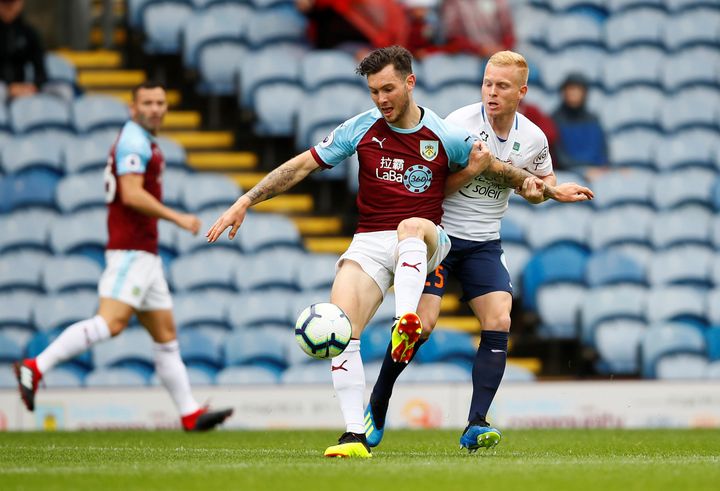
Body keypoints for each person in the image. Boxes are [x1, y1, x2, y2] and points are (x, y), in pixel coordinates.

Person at [206, 46, 591, 458]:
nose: (381, 99)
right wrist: (246, 199)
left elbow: (506, 172)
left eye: (387, 89)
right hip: (388, 237)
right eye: (373, 92)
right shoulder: (378, 127)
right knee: (344, 327)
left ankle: (465, 406)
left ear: (409, 82)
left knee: (477, 297)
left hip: (433, 237)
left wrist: (548, 190)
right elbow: (304, 166)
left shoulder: (452, 133)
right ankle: (356, 432)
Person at [364, 51, 594, 452]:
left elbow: (539, 185)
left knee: (500, 318)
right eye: (487, 82)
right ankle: (378, 402)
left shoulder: (534, 138)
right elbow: (433, 187)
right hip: (441, 236)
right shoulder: (458, 124)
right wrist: (473, 170)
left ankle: (475, 424)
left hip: (485, 242)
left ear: (521, 91)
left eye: (502, 86)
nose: (491, 91)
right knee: (423, 323)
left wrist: (545, 193)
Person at [14, 82, 233, 432]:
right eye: (147, 102)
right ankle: (35, 366)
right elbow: (131, 195)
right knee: (111, 323)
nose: (155, 108)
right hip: (130, 251)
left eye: (161, 102)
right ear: (133, 108)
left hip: (145, 254)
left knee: (166, 336)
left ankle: (189, 412)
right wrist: (177, 218)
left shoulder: (143, 141)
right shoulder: (133, 141)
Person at [551, 72, 608, 179]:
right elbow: (560, 158)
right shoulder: (554, 120)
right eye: (570, 89)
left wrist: (602, 169)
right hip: (567, 174)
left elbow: (603, 153)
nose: (573, 93)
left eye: (578, 90)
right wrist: (583, 171)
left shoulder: (593, 119)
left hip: (597, 172)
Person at [0, 0, 46, 99]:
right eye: (4, 2)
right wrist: (9, 88)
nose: (9, 7)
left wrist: (33, 86)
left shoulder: (29, 33)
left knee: (63, 91)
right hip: (2, 88)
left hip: (22, 88)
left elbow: (41, 71)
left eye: (12, 2)